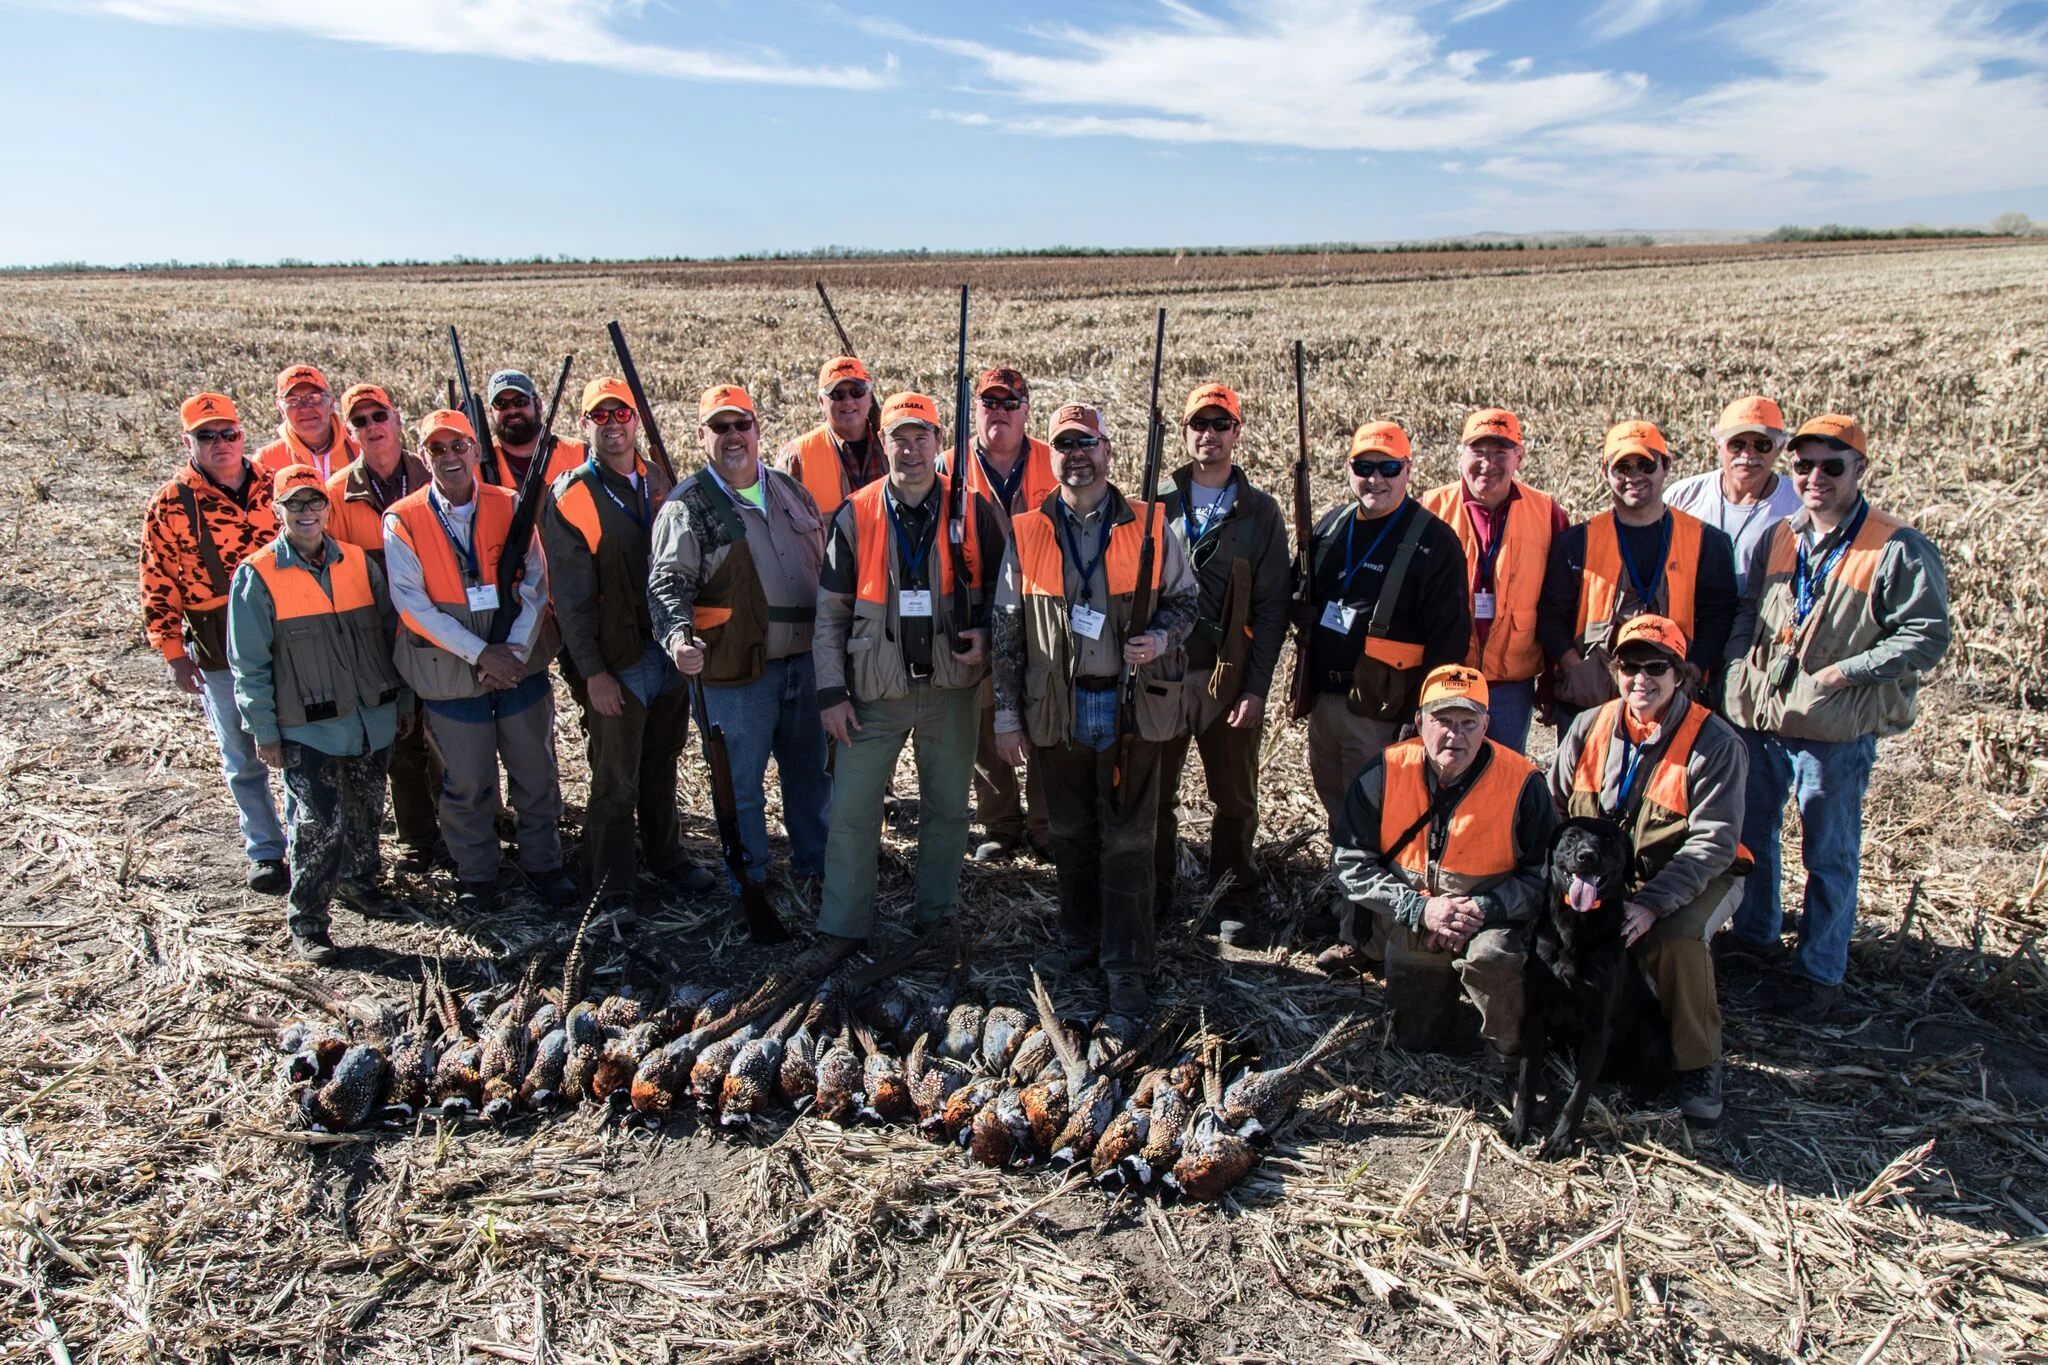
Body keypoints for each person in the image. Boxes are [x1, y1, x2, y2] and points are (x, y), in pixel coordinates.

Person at [1722, 415, 1951, 1022]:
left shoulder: (1896, 544)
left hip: (1834, 728)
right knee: (1754, 838)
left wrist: (1845, 672)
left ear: (1860, 470)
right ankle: (1756, 940)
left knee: (1829, 852)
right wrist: (1735, 670)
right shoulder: (1782, 536)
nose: (1815, 477)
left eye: (1832, 465)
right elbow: (1750, 611)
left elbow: (1927, 635)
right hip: (1765, 719)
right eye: (1804, 466)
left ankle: (1820, 974)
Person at [989, 402, 1199, 1015]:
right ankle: (1079, 938)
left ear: (1108, 451)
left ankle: (1128, 961)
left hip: (1131, 704)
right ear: (1048, 456)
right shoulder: (1027, 529)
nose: (1077, 454)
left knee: (1130, 838)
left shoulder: (1154, 524)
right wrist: (1006, 714)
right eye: (1064, 444)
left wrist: (1159, 638)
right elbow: (1006, 632)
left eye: (1088, 443)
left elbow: (1188, 603)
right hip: (1058, 708)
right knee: (1070, 831)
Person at [812, 392, 1007, 953]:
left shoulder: (972, 510)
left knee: (947, 811)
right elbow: (829, 614)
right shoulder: (858, 511)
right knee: (852, 813)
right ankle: (843, 928)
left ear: (940, 444)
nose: (912, 449)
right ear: (882, 442)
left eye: (923, 437)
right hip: (875, 693)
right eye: (900, 436)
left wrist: (988, 638)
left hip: (951, 689)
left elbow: (1005, 597)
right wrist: (831, 693)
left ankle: (936, 919)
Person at [1549, 615, 1750, 1120]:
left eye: (1656, 666)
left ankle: (1698, 1063)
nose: (1642, 678)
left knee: (1676, 939)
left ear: (1680, 675)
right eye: (1629, 664)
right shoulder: (1587, 725)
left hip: (1696, 876)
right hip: (1606, 875)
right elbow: (1551, 811)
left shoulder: (1716, 744)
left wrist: (1653, 904)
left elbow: (1714, 844)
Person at [384, 410, 578, 915]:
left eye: (459, 446)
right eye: (437, 449)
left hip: (519, 664)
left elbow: (536, 584)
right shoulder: (402, 519)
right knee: (467, 782)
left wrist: (511, 652)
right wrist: (481, 654)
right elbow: (411, 605)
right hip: (451, 672)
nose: (449, 457)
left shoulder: (510, 503)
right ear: (423, 457)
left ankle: (543, 864)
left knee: (536, 770)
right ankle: (477, 874)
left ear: (476, 450)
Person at [1294, 421, 1470, 973]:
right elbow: (1308, 601)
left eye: (1389, 467)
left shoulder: (1433, 542)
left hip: (1386, 716)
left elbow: (1450, 643)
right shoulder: (1330, 527)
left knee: (1376, 828)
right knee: (1341, 818)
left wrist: (1425, 722)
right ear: (1349, 471)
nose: (1376, 479)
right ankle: (1352, 908)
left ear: (1409, 471)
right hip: (1327, 704)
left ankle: (1366, 942)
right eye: (1364, 467)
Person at [647, 384, 831, 913]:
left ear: (758, 429)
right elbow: (666, 585)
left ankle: (815, 866)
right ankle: (749, 879)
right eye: (720, 427)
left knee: (810, 776)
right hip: (734, 670)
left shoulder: (794, 493)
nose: (734, 436)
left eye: (741, 424)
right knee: (742, 786)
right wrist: (678, 639)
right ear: (701, 437)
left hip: (805, 663)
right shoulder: (687, 506)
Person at [544, 378, 717, 922]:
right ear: (585, 426)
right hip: (615, 661)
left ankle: (665, 855)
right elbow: (569, 601)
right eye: (601, 416)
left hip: (667, 652)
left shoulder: (659, 478)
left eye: (621, 413)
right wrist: (592, 673)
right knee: (614, 776)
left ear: (635, 420)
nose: (613, 423)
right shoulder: (572, 495)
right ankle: (612, 885)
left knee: (661, 762)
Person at [228, 466, 410, 963]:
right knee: (315, 823)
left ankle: (360, 883)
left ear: (327, 508)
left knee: (367, 811)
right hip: (308, 728)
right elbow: (249, 664)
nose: (306, 512)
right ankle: (308, 919)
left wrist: (403, 700)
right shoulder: (258, 574)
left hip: (371, 715)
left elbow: (391, 633)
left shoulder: (356, 561)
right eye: (295, 504)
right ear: (276, 510)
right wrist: (263, 730)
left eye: (314, 503)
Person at [1331, 665, 1554, 1059]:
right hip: (1413, 918)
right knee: (1413, 1042)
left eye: (1469, 722)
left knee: (1493, 958)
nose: (1456, 734)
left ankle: (1511, 1056)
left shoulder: (1523, 783)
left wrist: (1481, 908)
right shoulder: (1384, 770)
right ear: (1419, 722)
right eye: (1443, 720)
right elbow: (1350, 865)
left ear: (1487, 723)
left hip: (1489, 921)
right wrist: (1421, 909)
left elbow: (1543, 878)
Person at [1152, 383, 1290, 939]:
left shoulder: (1260, 513)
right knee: (1153, 793)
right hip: (1161, 676)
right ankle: (1155, 891)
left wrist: (1255, 689)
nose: (1209, 434)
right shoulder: (1154, 502)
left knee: (1234, 796)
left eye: (1220, 423)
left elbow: (1273, 607)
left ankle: (1232, 894)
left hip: (1225, 679)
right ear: (1185, 434)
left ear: (1237, 431)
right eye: (1199, 424)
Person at [139, 393, 291, 892]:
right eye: (207, 435)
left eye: (229, 433)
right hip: (216, 642)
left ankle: (308, 841)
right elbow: (157, 581)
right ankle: (266, 850)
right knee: (242, 753)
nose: (221, 444)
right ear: (188, 442)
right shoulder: (169, 504)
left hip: (287, 636)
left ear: (243, 435)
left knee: (297, 744)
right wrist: (172, 653)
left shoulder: (277, 487)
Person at [1538, 420, 1738, 721]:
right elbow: (1551, 615)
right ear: (1605, 473)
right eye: (1623, 468)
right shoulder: (1575, 543)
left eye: (1645, 464)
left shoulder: (1707, 542)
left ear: (1665, 467)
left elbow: (1719, 616)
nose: (1635, 476)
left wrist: (1692, 671)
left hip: (1674, 700)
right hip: (1592, 701)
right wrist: (1574, 667)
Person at [943, 366, 1058, 863]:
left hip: (1040, 607)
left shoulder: (1055, 464)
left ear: (1027, 410)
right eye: (990, 403)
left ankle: (1047, 825)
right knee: (985, 721)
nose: (1001, 412)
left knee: (1045, 713)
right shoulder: (948, 466)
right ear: (976, 410)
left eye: (1011, 403)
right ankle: (1000, 822)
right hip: (972, 607)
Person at [324, 383, 441, 871]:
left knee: (454, 735)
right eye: (361, 421)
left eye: (380, 416)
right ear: (350, 434)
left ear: (397, 420)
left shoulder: (434, 472)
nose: (373, 427)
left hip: (440, 628)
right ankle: (418, 839)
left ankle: (469, 829)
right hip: (379, 640)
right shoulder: (335, 496)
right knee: (403, 741)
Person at [1418, 408, 1570, 753]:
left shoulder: (1547, 513)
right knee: (1441, 775)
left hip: (1510, 685)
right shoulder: (1428, 508)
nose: (1488, 463)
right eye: (1479, 452)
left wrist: (1551, 676)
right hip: (1444, 678)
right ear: (1460, 455)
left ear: (1519, 457)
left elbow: (1559, 603)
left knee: (1501, 777)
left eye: (1500, 453)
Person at [1666, 396, 1803, 597]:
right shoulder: (1682, 497)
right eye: (1736, 444)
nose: (1748, 454)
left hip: (1761, 625)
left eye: (1762, 445)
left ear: (1780, 449)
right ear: (1718, 446)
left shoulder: (1798, 506)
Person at [776, 355, 883, 519]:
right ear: (821, 401)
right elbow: (781, 524)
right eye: (837, 394)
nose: (848, 401)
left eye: (857, 392)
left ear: (870, 398)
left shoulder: (893, 445)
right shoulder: (797, 456)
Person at [480, 369, 586, 491]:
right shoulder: (478, 465)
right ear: (491, 412)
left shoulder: (581, 453)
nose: (512, 411)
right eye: (501, 404)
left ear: (538, 405)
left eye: (520, 402)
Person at [257, 364, 353, 481]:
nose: (305, 408)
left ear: (331, 403)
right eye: (293, 401)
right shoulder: (266, 461)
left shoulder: (360, 446)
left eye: (313, 397)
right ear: (281, 409)